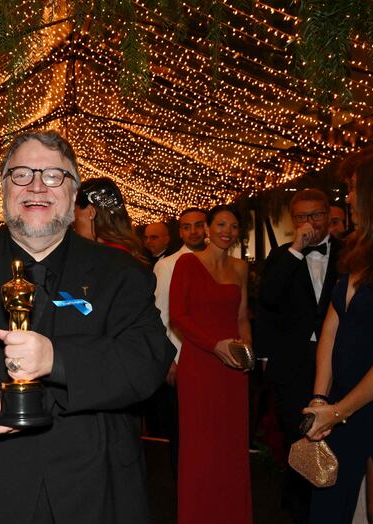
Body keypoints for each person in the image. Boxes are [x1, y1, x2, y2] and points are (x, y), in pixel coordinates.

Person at [0, 130, 175, 523]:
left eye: (53, 176)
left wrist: (57, 360)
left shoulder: (122, 274)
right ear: (4, 188)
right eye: (21, 174)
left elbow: (148, 358)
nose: (37, 186)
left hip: (91, 487)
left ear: (74, 195)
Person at [302, 149, 373, 523]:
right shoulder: (360, 249)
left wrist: (336, 411)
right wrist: (321, 398)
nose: (348, 198)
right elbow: (333, 328)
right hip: (343, 407)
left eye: (353, 189)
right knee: (333, 509)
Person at [255, 188, 341, 523]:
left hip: (338, 358)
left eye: (316, 215)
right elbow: (269, 300)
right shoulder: (282, 256)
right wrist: (295, 251)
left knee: (335, 432)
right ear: (294, 221)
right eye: (302, 217)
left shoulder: (350, 253)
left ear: (328, 215)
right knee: (298, 435)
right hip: (294, 362)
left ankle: (334, 502)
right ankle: (300, 508)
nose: (310, 223)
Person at [169, 204, 252, 524]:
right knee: (200, 445)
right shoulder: (188, 263)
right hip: (199, 365)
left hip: (233, 367)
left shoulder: (240, 267)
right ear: (207, 227)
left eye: (233, 226)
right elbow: (178, 316)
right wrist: (213, 345)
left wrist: (247, 353)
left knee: (231, 445)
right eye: (220, 224)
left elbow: (243, 317)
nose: (226, 231)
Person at [145, 207, 207, 466]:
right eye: (187, 226)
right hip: (181, 359)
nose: (193, 232)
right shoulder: (167, 265)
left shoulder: (219, 261)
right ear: (179, 231)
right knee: (181, 431)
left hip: (213, 358)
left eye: (198, 225)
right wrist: (168, 359)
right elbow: (158, 316)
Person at [72, 176, 148, 265]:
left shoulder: (101, 259)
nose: (72, 222)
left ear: (91, 212)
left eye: (74, 213)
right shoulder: (123, 254)